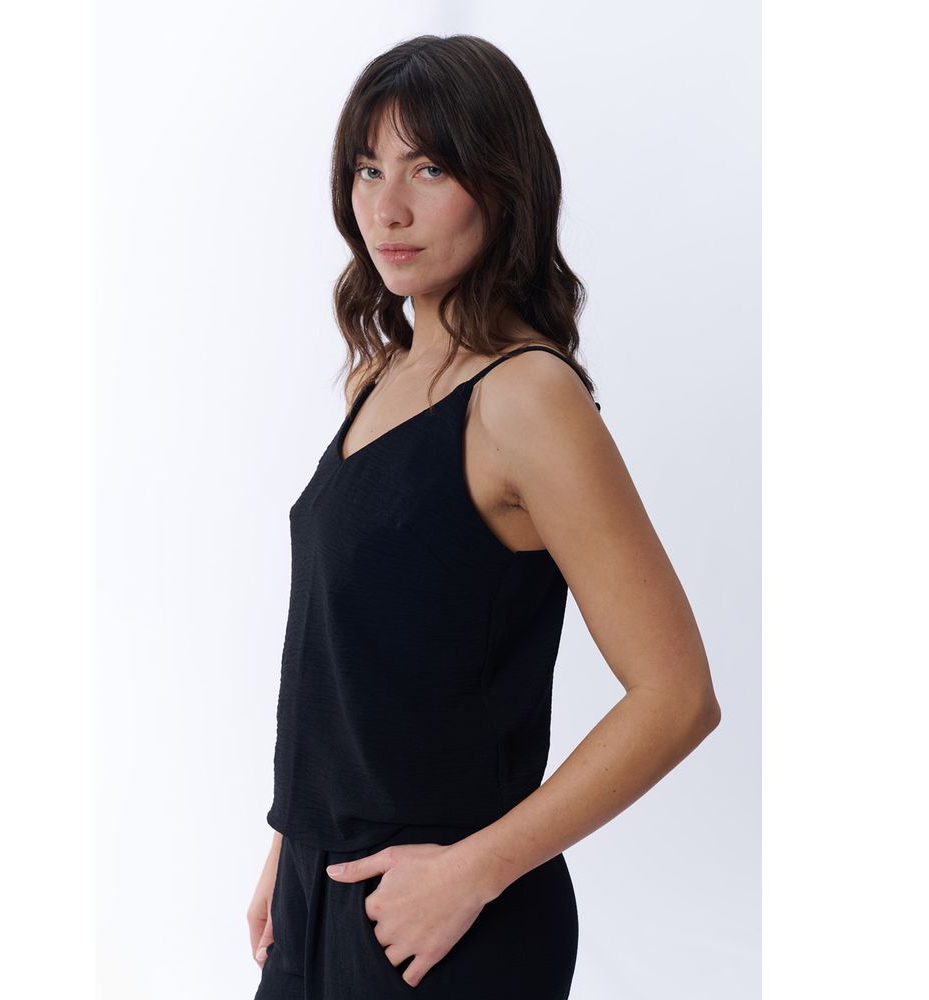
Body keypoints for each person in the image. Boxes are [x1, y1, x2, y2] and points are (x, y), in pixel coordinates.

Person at [247, 34, 721, 999]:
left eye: (428, 168)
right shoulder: (380, 378)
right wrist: (291, 844)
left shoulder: (525, 397)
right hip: (319, 894)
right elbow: (352, 662)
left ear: (503, 186)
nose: (387, 207)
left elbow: (677, 696)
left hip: (449, 922)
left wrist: (474, 871)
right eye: (368, 169)